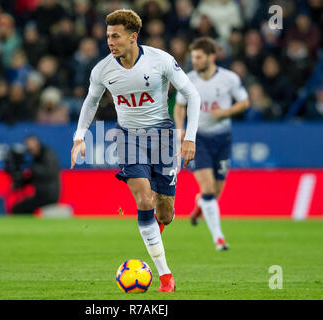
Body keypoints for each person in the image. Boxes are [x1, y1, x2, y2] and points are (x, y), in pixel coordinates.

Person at [70, 9, 200, 292]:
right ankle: (165, 277)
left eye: (115, 36)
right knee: (143, 199)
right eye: (107, 36)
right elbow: (91, 103)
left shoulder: (160, 60)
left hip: (163, 136)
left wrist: (189, 138)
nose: (110, 42)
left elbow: (192, 94)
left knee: (164, 213)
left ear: (133, 37)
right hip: (128, 138)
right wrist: (80, 136)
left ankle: (156, 232)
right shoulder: (102, 69)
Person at [174, 37, 249, 251]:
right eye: (193, 57)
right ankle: (219, 238)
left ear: (211, 57)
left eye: (198, 57)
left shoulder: (229, 79)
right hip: (198, 139)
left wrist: (226, 112)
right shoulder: (187, 80)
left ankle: (200, 205)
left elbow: (244, 101)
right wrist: (180, 128)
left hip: (222, 138)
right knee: (207, 188)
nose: (194, 61)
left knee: (215, 193)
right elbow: (179, 107)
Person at [11, 135, 61, 214]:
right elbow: (34, 177)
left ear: (37, 143)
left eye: (30, 146)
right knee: (20, 207)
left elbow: (49, 173)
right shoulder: (35, 158)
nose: (29, 149)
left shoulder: (47, 154)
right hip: (41, 195)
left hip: (49, 195)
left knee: (18, 209)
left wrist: (31, 167)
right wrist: (21, 183)